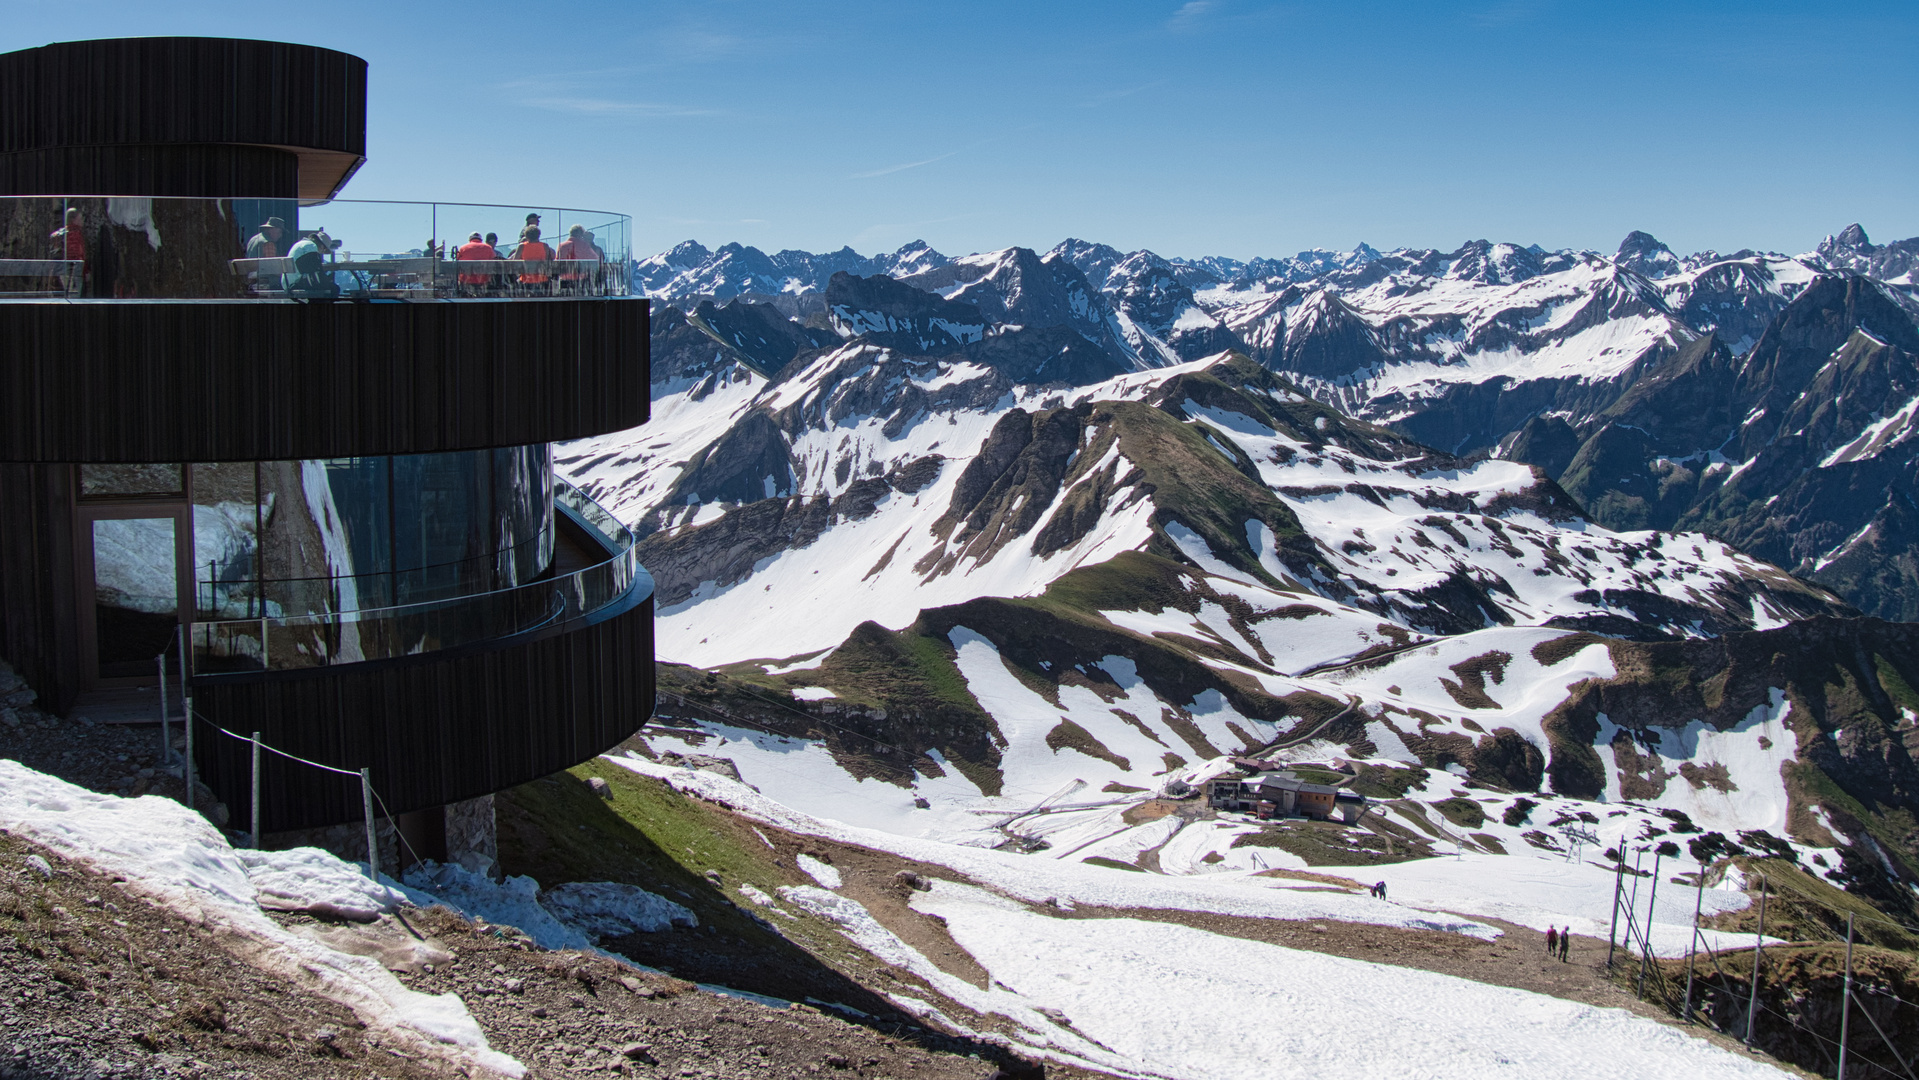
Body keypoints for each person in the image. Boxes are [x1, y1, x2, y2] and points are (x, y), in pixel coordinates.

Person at [47, 207, 85, 295]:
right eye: (80, 218)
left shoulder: (58, 235)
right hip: (73, 271)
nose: (82, 221)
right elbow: (78, 255)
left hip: (59, 271)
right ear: (73, 220)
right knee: (73, 296)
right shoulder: (76, 234)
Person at [555, 223, 599, 292]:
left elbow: (557, 262)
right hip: (580, 279)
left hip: (565, 279)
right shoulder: (584, 245)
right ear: (580, 234)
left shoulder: (561, 245)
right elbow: (595, 258)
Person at [515, 225, 552, 291]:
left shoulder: (522, 246)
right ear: (538, 235)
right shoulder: (545, 246)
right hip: (542, 280)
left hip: (525, 280)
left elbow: (515, 262)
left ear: (526, 236)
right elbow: (547, 261)